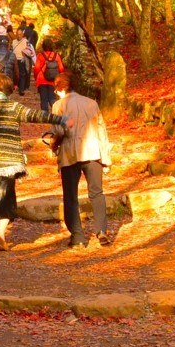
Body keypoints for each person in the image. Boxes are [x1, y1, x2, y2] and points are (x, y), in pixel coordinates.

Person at [0, 68, 64, 250]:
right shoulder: (13, 107)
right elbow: (35, 115)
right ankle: (0, 235)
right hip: (7, 160)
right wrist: (60, 119)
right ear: (7, 90)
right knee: (6, 197)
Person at [52, 74, 112, 248]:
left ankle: (78, 237)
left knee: (70, 196)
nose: (56, 93)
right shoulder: (91, 103)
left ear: (61, 88)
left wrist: (54, 144)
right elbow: (102, 130)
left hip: (70, 153)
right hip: (93, 152)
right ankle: (101, 231)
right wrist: (106, 159)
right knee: (97, 193)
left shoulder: (58, 106)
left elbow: (59, 130)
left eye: (57, 90)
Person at [32, 39, 65, 114]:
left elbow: (36, 68)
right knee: (52, 98)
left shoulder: (40, 55)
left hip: (41, 79)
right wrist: (60, 78)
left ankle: (44, 116)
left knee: (43, 99)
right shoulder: (56, 56)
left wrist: (36, 76)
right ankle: (56, 113)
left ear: (43, 46)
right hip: (53, 80)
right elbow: (61, 68)